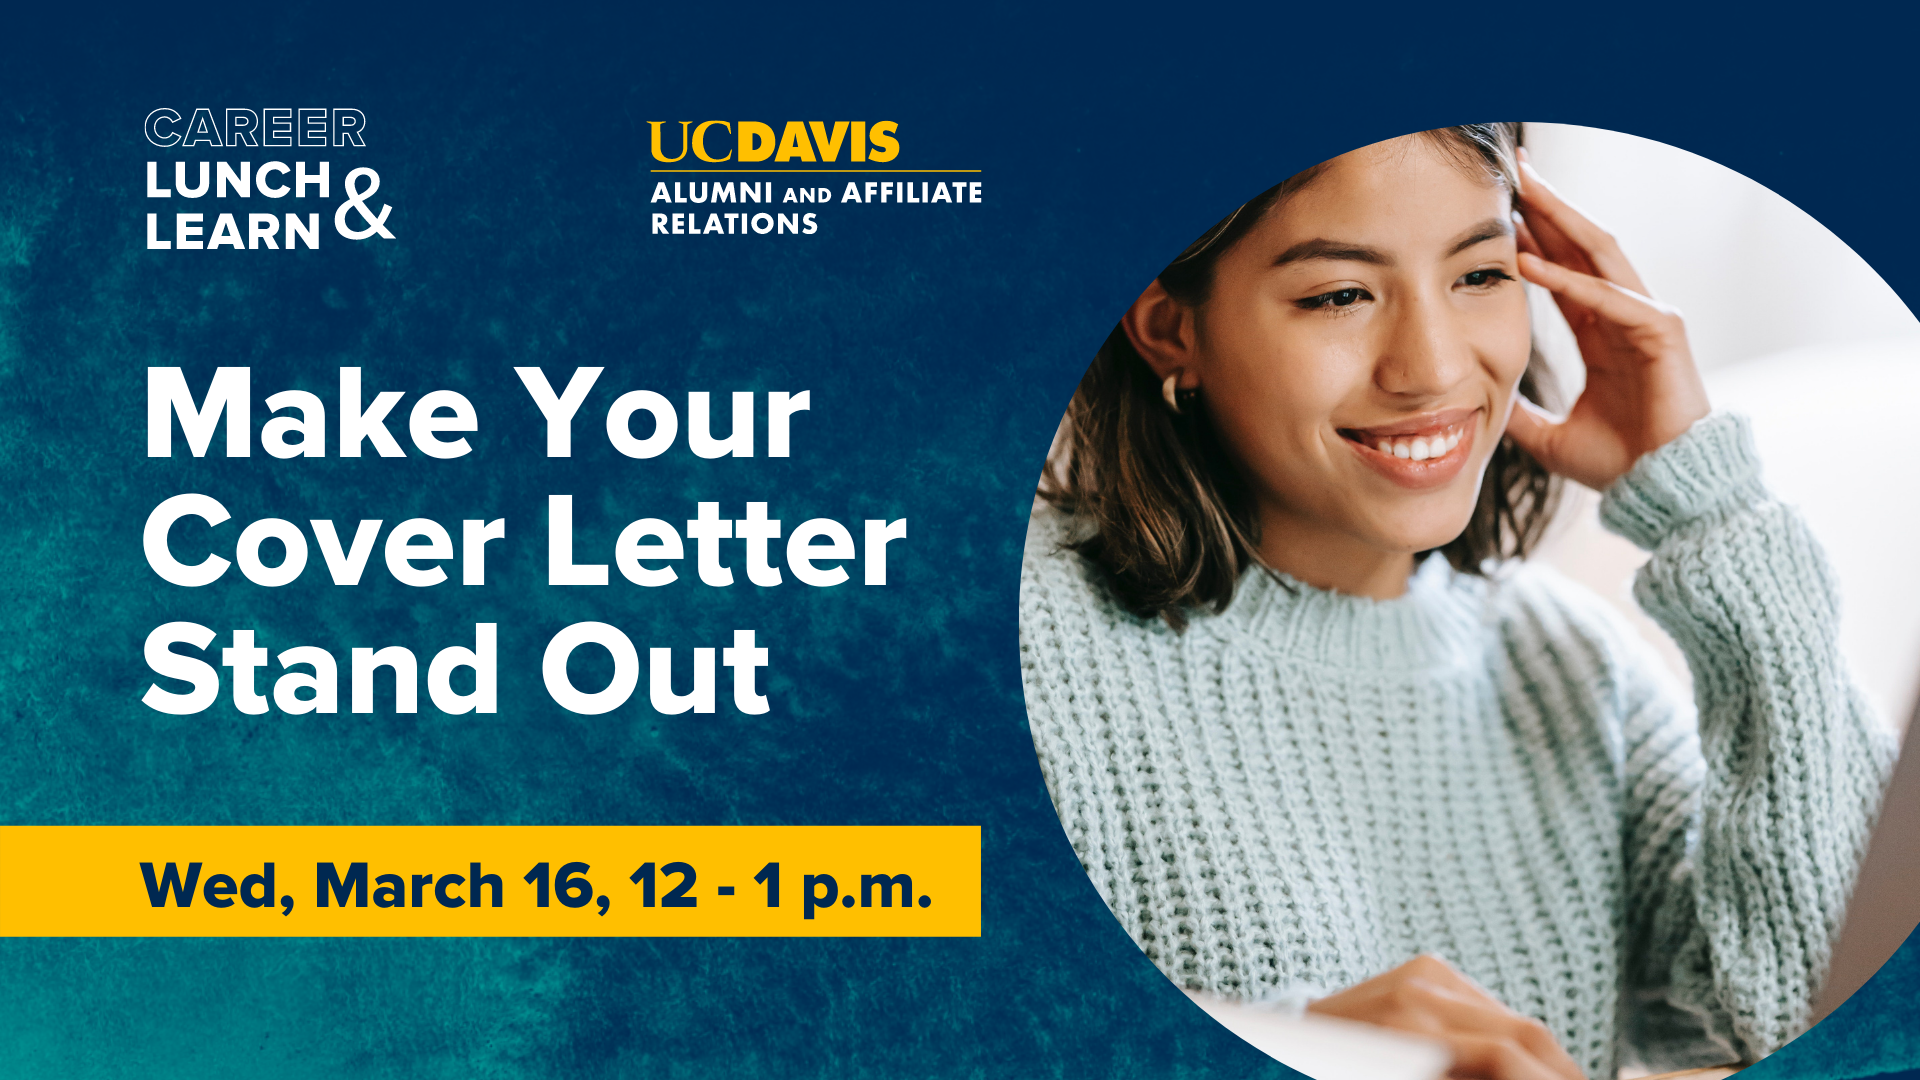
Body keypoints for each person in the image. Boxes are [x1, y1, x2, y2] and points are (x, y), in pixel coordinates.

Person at [1018, 124, 1895, 1080]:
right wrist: (1290, 1047)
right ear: (1169, 327)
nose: (1432, 368)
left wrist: (1712, 512)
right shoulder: (1005, 638)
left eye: (1480, 275)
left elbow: (1836, 1020)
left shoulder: (1575, 674)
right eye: (1341, 295)